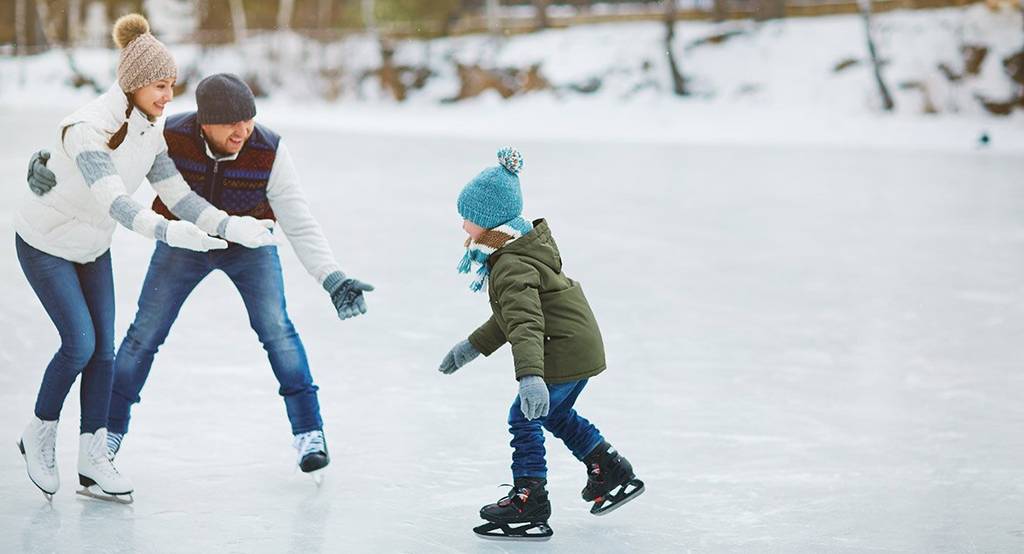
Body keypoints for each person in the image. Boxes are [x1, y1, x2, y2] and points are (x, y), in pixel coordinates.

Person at [28, 72, 373, 481]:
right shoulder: (168, 135)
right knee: (143, 336)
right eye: (232, 123)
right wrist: (47, 163)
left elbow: (298, 221)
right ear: (204, 122)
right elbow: (98, 153)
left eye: (249, 119)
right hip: (183, 241)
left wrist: (331, 277)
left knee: (277, 330)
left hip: (250, 245)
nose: (244, 130)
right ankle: (109, 433)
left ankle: (309, 432)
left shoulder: (269, 149)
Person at [15, 14, 278, 503]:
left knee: (105, 353)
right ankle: (39, 433)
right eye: (160, 85)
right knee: (79, 343)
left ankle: (93, 461)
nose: (168, 97)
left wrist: (228, 225)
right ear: (134, 83)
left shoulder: (149, 130)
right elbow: (115, 200)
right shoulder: (87, 130)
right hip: (45, 242)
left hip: (91, 247)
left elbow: (177, 194)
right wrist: (168, 233)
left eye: (171, 85)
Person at [437, 147, 644, 540]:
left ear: (489, 221)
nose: (463, 225)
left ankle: (529, 498)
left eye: (469, 218)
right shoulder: (516, 248)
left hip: (561, 347)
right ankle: (609, 468)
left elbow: (527, 323)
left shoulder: (510, 263)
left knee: (525, 416)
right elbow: (511, 319)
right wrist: (471, 347)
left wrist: (530, 376)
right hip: (577, 342)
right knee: (554, 413)